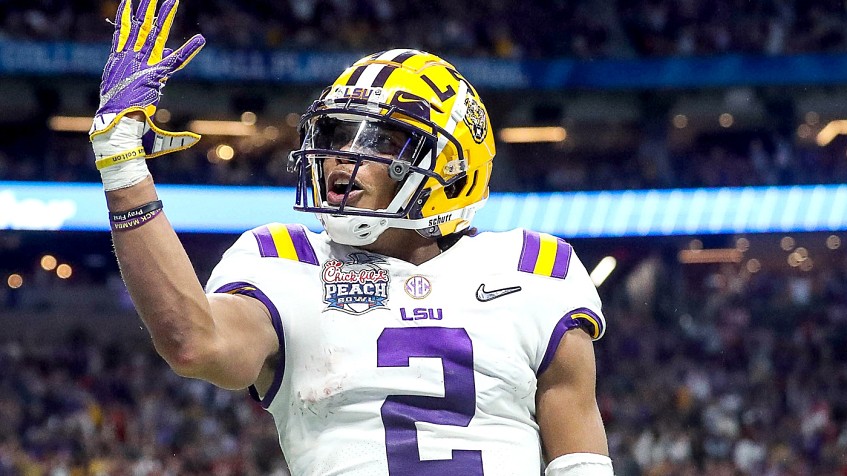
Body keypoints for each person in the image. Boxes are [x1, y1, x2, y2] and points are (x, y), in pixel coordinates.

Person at [89, 0, 614, 474]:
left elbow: (581, 463)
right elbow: (193, 343)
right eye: (339, 135)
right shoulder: (285, 260)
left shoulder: (534, 268)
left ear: (452, 172)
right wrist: (122, 165)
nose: (344, 157)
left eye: (382, 140)